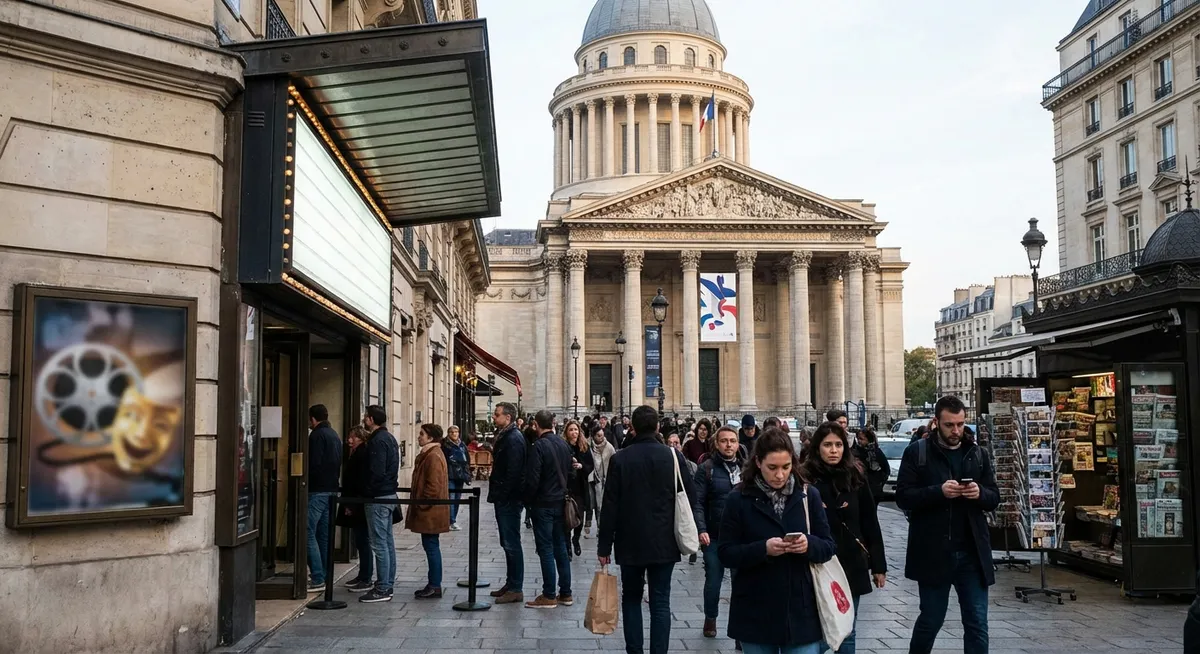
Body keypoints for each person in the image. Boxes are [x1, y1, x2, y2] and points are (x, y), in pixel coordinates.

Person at [718, 427, 836, 654]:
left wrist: (808, 544)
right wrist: (763, 549)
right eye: (772, 468)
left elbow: (828, 546)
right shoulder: (738, 498)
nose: (780, 475)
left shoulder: (808, 495)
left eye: (786, 467)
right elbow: (726, 553)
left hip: (801, 611)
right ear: (758, 462)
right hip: (756, 609)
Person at [896, 396, 999, 654]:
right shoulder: (917, 452)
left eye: (961, 424)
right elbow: (903, 497)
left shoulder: (977, 453)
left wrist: (980, 494)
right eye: (949, 425)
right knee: (931, 620)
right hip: (933, 553)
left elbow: (994, 497)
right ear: (936, 422)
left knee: (977, 624)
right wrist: (938, 491)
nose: (956, 431)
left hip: (972, 554)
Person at [598, 405, 697, 654]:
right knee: (660, 601)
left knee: (631, 597)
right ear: (657, 427)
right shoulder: (672, 457)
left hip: (629, 541)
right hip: (664, 541)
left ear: (632, 426)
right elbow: (691, 496)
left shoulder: (620, 458)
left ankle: (635, 650)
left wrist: (604, 545)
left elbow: (610, 504)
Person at [800, 422, 887, 654]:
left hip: (851, 561)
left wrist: (879, 565)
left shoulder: (855, 476)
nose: (833, 450)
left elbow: (870, 521)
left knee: (848, 628)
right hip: (817, 563)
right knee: (816, 632)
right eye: (828, 445)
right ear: (818, 447)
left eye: (838, 445)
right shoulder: (804, 478)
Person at [692, 424, 745, 639]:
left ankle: (741, 629)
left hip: (742, 537)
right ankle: (710, 618)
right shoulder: (706, 468)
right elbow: (698, 502)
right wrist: (701, 529)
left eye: (732, 441)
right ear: (717, 443)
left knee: (741, 584)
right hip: (714, 535)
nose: (729, 445)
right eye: (724, 441)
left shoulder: (748, 468)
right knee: (713, 579)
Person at [524, 410, 575, 608]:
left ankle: (549, 594)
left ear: (536, 424)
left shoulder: (539, 447)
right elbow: (570, 472)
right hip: (560, 502)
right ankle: (566, 593)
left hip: (543, 504)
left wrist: (528, 500)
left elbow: (533, 479)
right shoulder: (563, 444)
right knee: (560, 547)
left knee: (545, 549)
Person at [487, 401, 527, 605]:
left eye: (497, 415)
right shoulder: (508, 436)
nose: (494, 418)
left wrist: (502, 494)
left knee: (511, 542)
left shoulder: (513, 438)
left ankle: (516, 587)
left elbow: (513, 472)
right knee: (507, 541)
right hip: (506, 497)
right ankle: (511, 583)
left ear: (508, 418)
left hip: (509, 499)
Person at [360, 404, 399, 603]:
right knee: (386, 541)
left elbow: (377, 471)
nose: (364, 420)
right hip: (388, 494)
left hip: (378, 497)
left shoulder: (377, 440)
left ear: (371, 420)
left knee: (379, 543)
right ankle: (386, 582)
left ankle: (384, 587)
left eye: (366, 417)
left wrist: (368, 490)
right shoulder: (389, 438)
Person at [409, 423, 450, 599]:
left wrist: (421, 505)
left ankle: (434, 585)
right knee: (431, 546)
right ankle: (433, 584)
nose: (419, 437)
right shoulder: (429, 454)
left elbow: (433, 487)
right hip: (430, 510)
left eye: (422, 434)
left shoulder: (432, 455)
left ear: (430, 438)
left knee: (432, 547)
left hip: (430, 512)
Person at [305, 404, 342, 593]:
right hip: (331, 489)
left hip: (317, 490)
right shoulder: (334, 434)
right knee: (323, 535)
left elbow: (314, 463)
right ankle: (325, 575)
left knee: (307, 530)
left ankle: (318, 577)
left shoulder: (316, 436)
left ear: (312, 418)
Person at [339, 426, 374, 593]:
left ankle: (366, 577)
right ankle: (363, 575)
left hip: (358, 502)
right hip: (356, 501)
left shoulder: (361, 454)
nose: (349, 440)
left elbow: (356, 481)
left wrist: (350, 505)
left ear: (360, 438)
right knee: (360, 540)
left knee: (363, 540)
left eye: (352, 437)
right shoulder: (357, 453)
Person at [666, 432, 700, 565]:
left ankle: (693, 549)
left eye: (676, 443)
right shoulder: (667, 462)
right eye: (670, 444)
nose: (674, 446)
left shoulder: (691, 465)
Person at [564, 420, 595, 557]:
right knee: (566, 518)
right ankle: (567, 546)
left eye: (576, 430)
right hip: (566, 487)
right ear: (566, 432)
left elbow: (590, 465)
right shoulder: (563, 446)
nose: (574, 432)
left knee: (579, 518)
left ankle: (575, 539)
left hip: (580, 487)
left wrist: (581, 466)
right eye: (571, 430)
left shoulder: (584, 446)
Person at [587, 422, 617, 539]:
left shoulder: (609, 447)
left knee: (601, 506)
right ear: (593, 436)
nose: (601, 437)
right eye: (599, 435)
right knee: (590, 503)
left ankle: (600, 527)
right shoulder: (588, 446)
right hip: (591, 478)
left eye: (602, 435)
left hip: (604, 481)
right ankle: (588, 523)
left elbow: (614, 463)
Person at [442, 425, 470, 531]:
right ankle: (451, 521)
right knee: (451, 498)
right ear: (448, 433)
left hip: (460, 476)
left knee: (457, 499)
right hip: (450, 475)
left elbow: (466, 460)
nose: (454, 434)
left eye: (456, 432)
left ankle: (453, 520)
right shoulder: (445, 445)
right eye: (452, 432)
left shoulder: (461, 444)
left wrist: (467, 474)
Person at [853, 427, 891, 504]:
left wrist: (878, 483)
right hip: (858, 489)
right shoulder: (855, 452)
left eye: (861, 439)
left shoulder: (876, 452)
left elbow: (886, 469)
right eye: (858, 438)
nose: (859, 441)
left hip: (873, 490)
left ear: (868, 439)